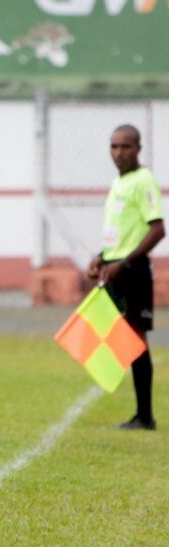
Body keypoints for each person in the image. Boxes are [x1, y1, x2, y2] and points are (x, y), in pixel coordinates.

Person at [87, 124, 165, 430]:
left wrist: (126, 262)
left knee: (136, 338)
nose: (119, 153)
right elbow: (120, 234)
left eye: (125, 147)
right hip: (115, 267)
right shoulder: (118, 183)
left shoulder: (143, 181)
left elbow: (157, 229)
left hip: (133, 271)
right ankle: (140, 414)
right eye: (114, 146)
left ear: (138, 149)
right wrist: (101, 257)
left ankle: (145, 416)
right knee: (118, 336)